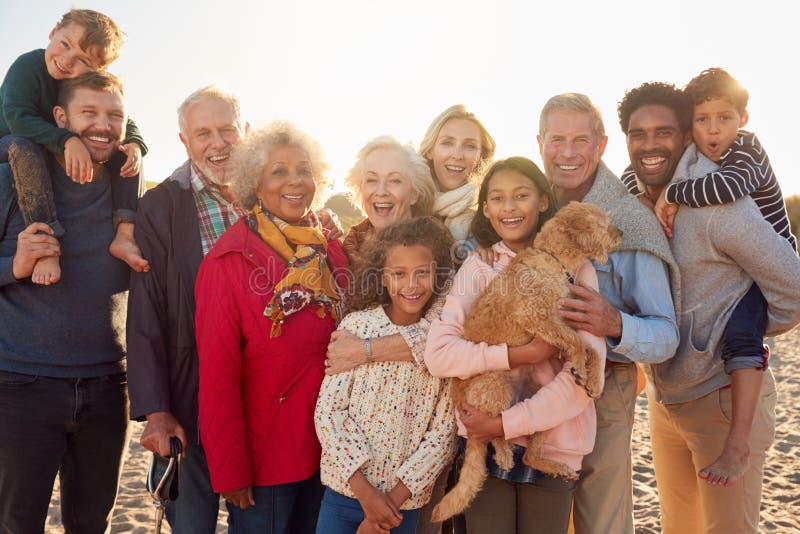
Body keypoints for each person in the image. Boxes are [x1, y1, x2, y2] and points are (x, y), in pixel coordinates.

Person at [617, 80, 800, 533]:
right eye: (638, 134)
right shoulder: (637, 201)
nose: (650, 144)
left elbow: (793, 288)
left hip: (722, 399)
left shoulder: (721, 204)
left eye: (664, 131)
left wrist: (727, 333)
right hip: (666, 401)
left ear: (685, 136)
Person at [423, 157, 605, 533]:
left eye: (520, 195)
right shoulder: (479, 268)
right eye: (498, 198)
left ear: (542, 201)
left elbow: (585, 375)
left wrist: (505, 423)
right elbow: (439, 355)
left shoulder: (576, 270)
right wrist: (518, 355)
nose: (509, 207)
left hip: (553, 440)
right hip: (485, 441)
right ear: (486, 209)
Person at [194, 121, 350, 532]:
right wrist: (230, 471)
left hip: (334, 451)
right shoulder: (227, 262)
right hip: (267, 459)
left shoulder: (331, 248)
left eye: (303, 169)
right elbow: (217, 375)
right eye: (279, 171)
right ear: (255, 184)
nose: (295, 181)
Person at [536, 93, 680, 534]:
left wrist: (615, 323)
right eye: (556, 139)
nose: (566, 152)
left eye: (580, 140)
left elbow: (666, 335)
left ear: (600, 146)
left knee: (602, 522)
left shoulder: (629, 219)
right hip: (533, 386)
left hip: (604, 389)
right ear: (539, 142)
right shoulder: (528, 206)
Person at [0, 71, 131, 533]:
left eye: (114, 114)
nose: (102, 125)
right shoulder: (12, 180)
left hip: (107, 385)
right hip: (20, 385)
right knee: (17, 523)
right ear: (60, 117)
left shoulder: (126, 191)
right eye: (88, 113)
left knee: (93, 523)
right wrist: (12, 266)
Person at [126, 85, 249, 532]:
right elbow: (145, 315)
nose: (217, 144)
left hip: (257, 396)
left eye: (227, 130)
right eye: (203, 134)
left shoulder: (271, 198)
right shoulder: (160, 206)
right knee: (193, 523)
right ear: (184, 141)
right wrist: (156, 409)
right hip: (188, 396)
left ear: (246, 132)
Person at [314, 216, 457, 534]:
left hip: (401, 506)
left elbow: (443, 435)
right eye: (399, 273)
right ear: (382, 277)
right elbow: (329, 413)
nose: (412, 284)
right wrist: (367, 497)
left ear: (437, 274)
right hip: (344, 495)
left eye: (422, 273)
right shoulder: (357, 328)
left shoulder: (442, 346)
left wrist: (388, 505)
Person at [0, 8, 149, 285]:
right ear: (53, 32)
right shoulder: (28, 66)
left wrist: (136, 144)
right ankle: (45, 241)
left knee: (124, 152)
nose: (67, 61)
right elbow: (17, 118)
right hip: (9, 142)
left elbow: (123, 120)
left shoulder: (81, 86)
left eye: (82, 60)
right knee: (25, 148)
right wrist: (67, 140)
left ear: (96, 71)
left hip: (46, 143)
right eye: (64, 44)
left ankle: (125, 234)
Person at [419, 104, 496, 256]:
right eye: (447, 143)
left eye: (469, 146)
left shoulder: (491, 218)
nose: (457, 155)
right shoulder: (406, 206)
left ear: (481, 157)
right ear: (429, 150)